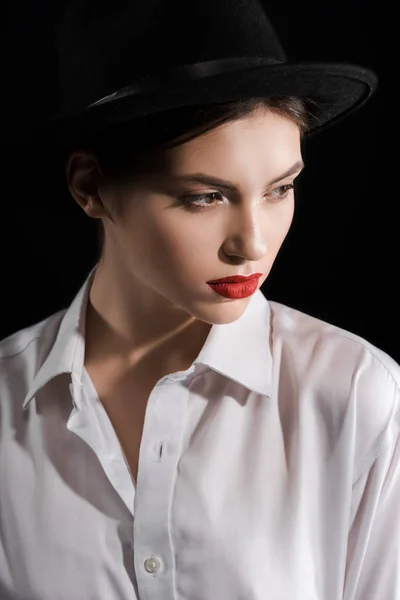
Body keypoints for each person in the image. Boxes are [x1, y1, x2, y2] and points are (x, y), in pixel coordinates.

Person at [0, 1, 397, 599]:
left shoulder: (353, 391)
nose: (253, 243)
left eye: (281, 189)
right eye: (205, 197)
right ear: (90, 188)